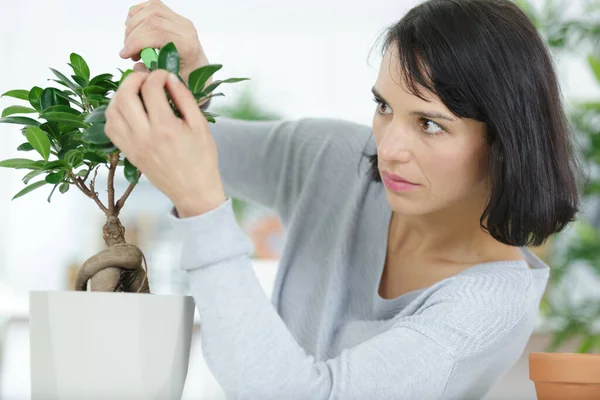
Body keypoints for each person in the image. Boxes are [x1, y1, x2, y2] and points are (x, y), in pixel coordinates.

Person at [112, 0, 582, 398]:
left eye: (430, 124)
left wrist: (202, 208)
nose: (389, 149)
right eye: (384, 107)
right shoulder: (335, 158)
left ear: (504, 143)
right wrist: (185, 88)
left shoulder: (488, 309)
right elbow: (196, 149)